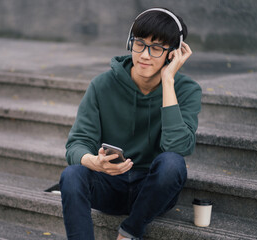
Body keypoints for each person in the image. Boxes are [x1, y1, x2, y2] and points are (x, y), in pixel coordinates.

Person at [59, 7, 202, 240]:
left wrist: (168, 82)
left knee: (173, 163)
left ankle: (130, 231)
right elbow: (76, 144)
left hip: (152, 190)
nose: (145, 55)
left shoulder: (186, 90)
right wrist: (94, 162)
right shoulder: (102, 85)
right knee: (71, 175)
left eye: (156, 48)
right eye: (139, 44)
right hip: (108, 184)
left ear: (173, 53)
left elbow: (179, 146)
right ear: (129, 43)